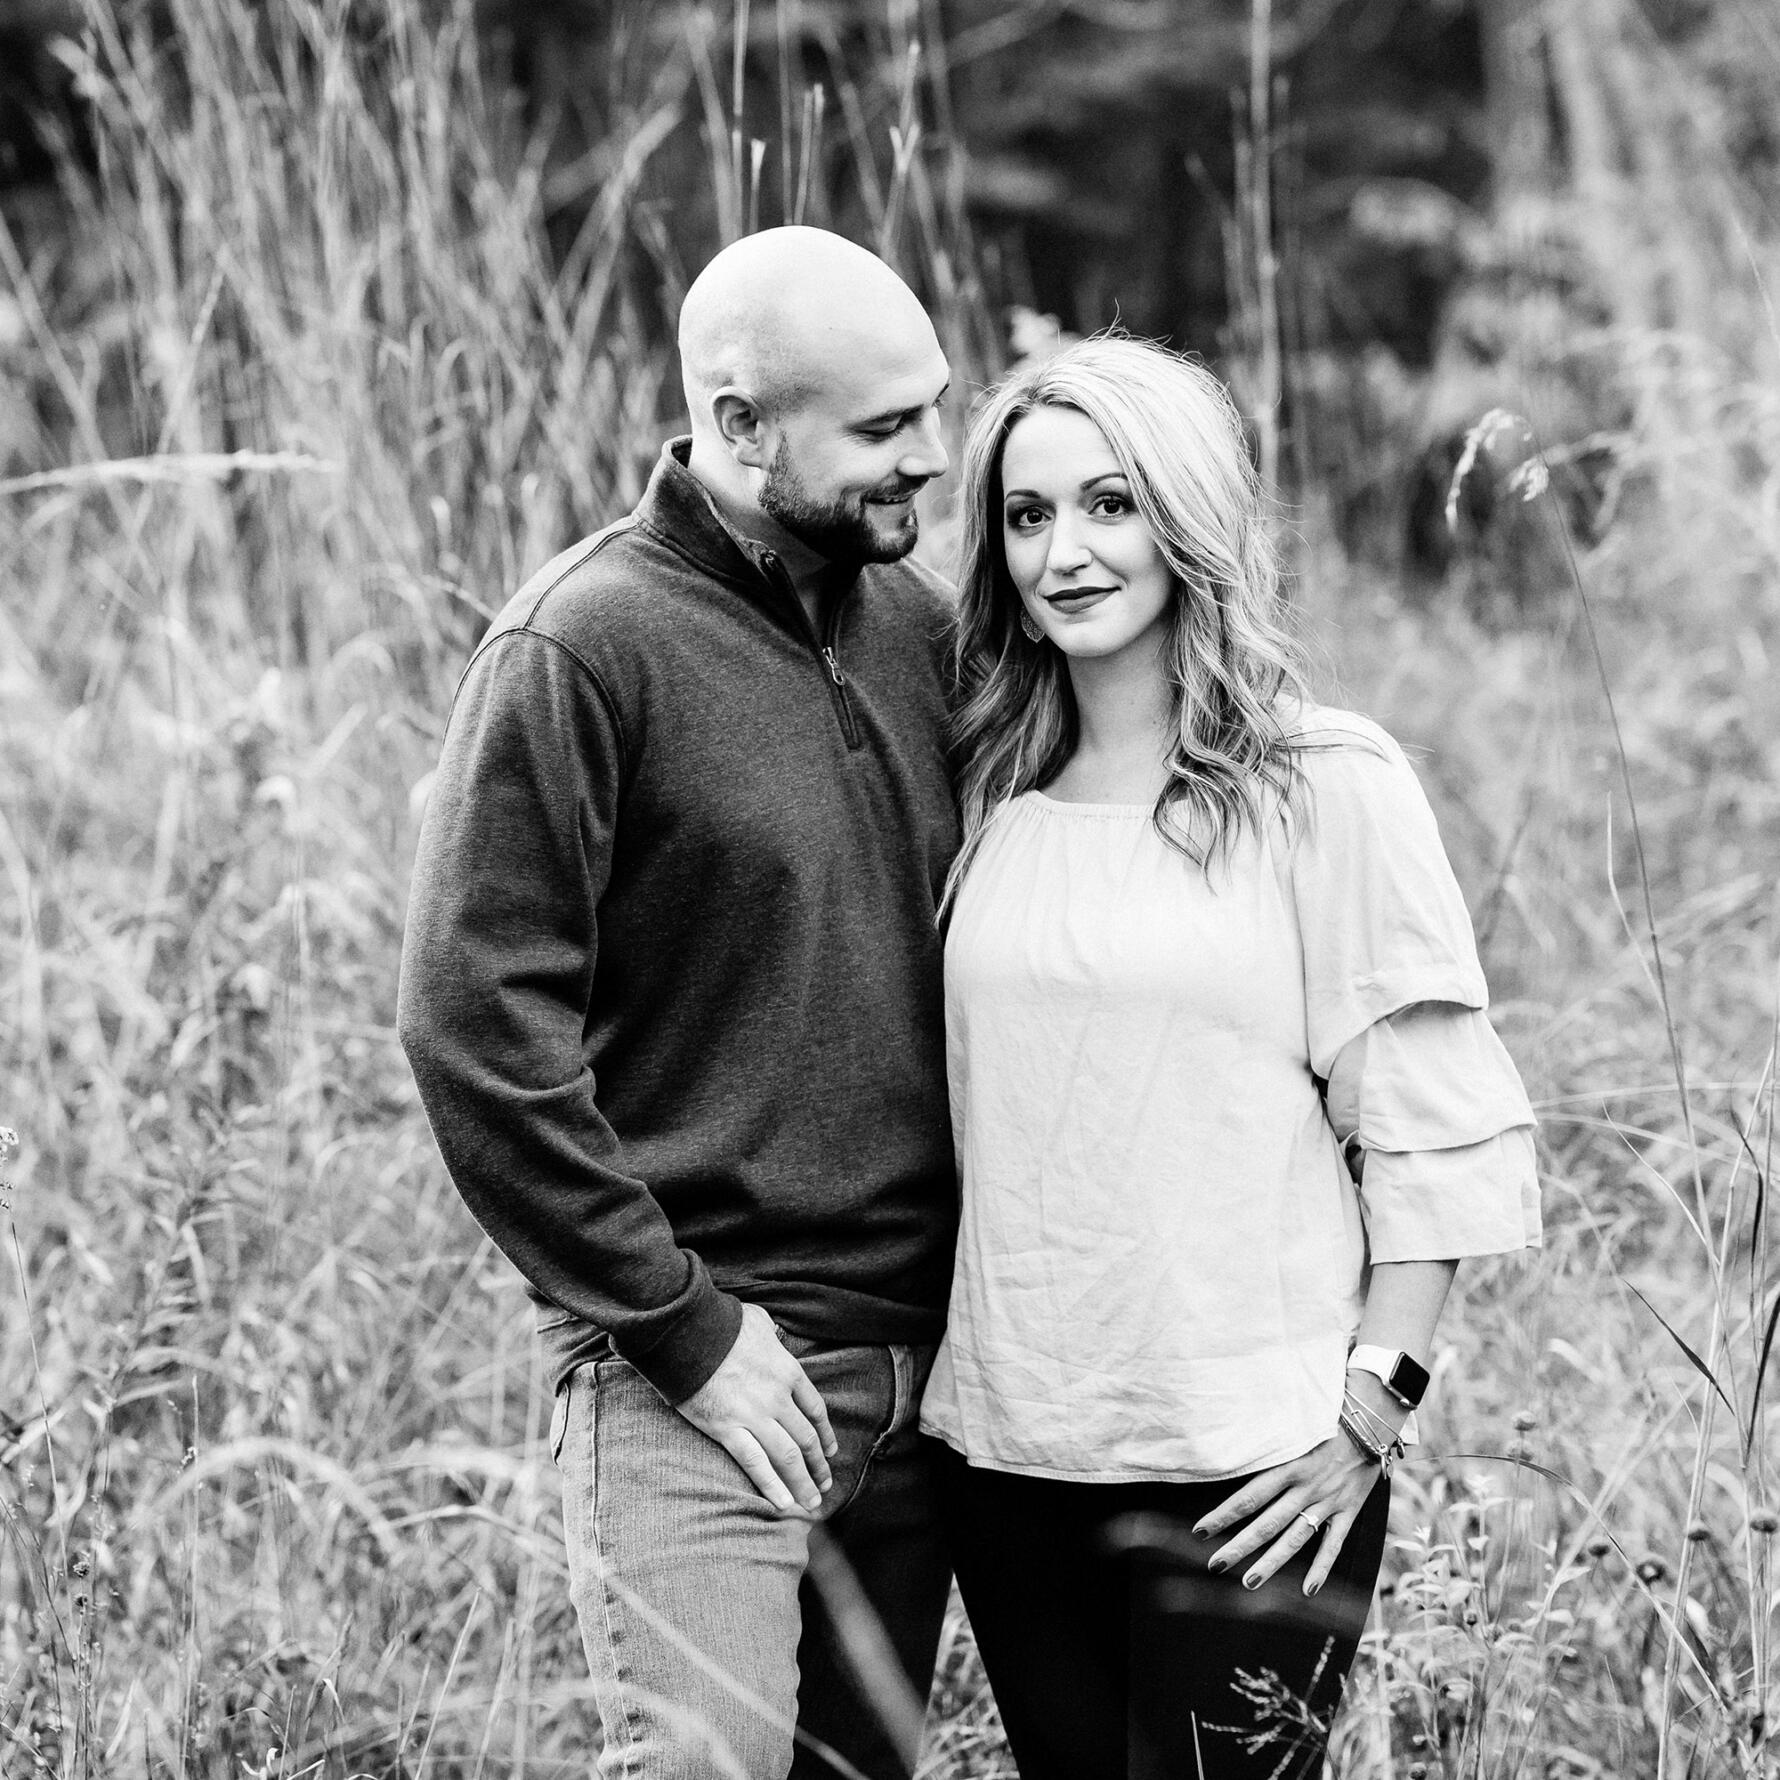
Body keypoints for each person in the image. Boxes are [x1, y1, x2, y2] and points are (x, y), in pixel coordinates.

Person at [919, 334, 1541, 1780]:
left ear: (1188, 516)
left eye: (1111, 503)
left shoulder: (1321, 784)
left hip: (1257, 1468)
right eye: (1027, 514)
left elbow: (1430, 1125)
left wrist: (1371, 1413)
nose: (1065, 552)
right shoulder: (984, 788)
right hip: (1011, 1453)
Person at [397, 226, 959, 1780]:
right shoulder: (579, 647)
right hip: (698, 1379)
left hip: (925, 1383)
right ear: (741, 424)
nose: (933, 454)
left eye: (933, 406)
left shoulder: (918, 628)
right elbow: (472, 1028)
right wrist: (683, 1328)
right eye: (885, 426)